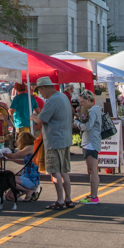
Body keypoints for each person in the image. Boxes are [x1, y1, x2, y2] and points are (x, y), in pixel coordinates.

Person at [31, 76, 74, 210]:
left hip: (55, 140)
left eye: (40, 91)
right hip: (65, 138)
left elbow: (41, 120)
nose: (41, 95)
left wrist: (32, 116)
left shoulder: (52, 101)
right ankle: (68, 199)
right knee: (64, 171)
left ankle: (60, 200)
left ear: (44, 88)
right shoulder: (63, 97)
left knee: (55, 172)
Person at [74, 90, 101, 205]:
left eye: (83, 102)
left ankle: (94, 197)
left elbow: (88, 126)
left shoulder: (94, 110)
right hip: (88, 142)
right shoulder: (91, 110)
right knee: (91, 170)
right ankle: (92, 195)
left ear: (89, 100)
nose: (81, 104)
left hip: (91, 142)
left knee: (93, 170)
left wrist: (77, 123)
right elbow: (87, 122)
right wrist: (81, 114)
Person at [2, 131, 41, 202]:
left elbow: (14, 156)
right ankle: (30, 191)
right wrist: (9, 160)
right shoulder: (33, 147)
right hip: (27, 179)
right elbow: (25, 162)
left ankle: (27, 191)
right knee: (9, 197)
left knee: (8, 178)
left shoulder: (29, 147)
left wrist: (2, 152)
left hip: (30, 180)